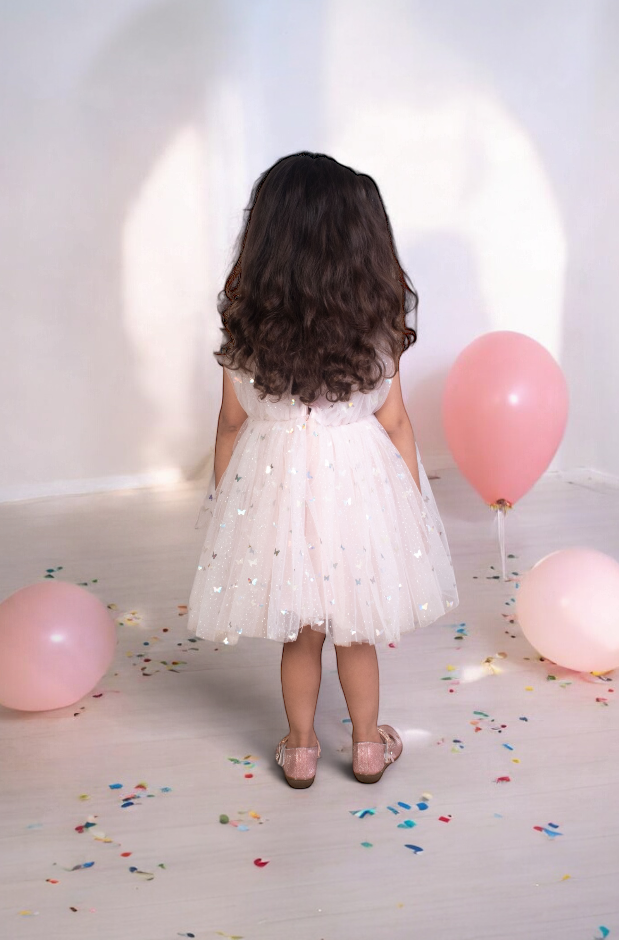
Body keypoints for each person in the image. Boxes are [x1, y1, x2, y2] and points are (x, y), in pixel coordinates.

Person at [187, 152, 459, 788]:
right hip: (358, 486)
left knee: (302, 630)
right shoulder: (374, 323)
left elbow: (231, 422)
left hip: (277, 485)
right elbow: (393, 421)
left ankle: (302, 746)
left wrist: (226, 499)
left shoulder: (246, 323)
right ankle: (367, 746)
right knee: (355, 628)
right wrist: (413, 502)